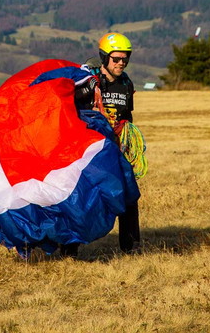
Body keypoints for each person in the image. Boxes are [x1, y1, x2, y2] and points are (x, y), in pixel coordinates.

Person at [71, 32, 141, 255]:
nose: (121, 63)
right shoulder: (87, 83)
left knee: (129, 194)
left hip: (117, 150)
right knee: (82, 199)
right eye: (116, 59)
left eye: (125, 59)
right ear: (104, 58)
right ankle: (69, 248)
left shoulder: (126, 83)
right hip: (90, 152)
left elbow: (127, 116)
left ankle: (130, 248)